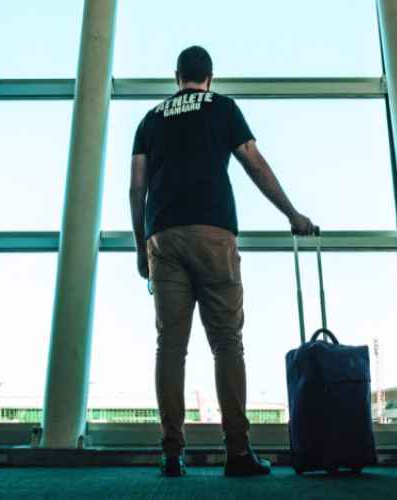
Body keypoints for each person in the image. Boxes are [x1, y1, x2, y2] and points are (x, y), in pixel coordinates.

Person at [129, 45, 315, 477]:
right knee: (227, 343)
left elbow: (136, 188)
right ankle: (237, 452)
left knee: (170, 347)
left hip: (164, 236)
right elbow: (254, 163)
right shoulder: (223, 108)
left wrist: (141, 247)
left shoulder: (150, 119)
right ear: (209, 77)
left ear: (177, 76)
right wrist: (291, 213)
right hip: (213, 232)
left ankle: (172, 452)